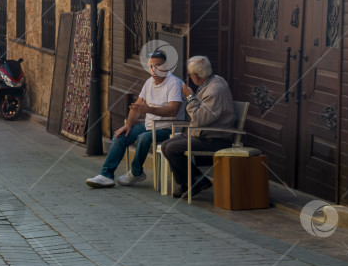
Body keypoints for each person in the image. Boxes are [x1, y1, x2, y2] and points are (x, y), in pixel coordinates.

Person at [86, 51, 185, 188]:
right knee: (120, 135)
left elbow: (173, 109)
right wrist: (129, 125)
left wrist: (149, 110)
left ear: (166, 66)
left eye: (157, 65)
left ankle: (136, 172)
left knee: (143, 137)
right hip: (149, 126)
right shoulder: (149, 82)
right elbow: (136, 106)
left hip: (168, 128)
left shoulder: (174, 83)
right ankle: (106, 175)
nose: (154, 70)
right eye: (151, 66)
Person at [161, 55, 237, 198]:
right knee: (166, 145)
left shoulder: (215, 90)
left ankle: (198, 181)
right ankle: (186, 183)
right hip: (202, 133)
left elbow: (199, 118)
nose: (190, 78)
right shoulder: (212, 81)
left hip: (214, 137)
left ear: (196, 76)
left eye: (190, 75)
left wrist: (190, 97)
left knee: (172, 148)